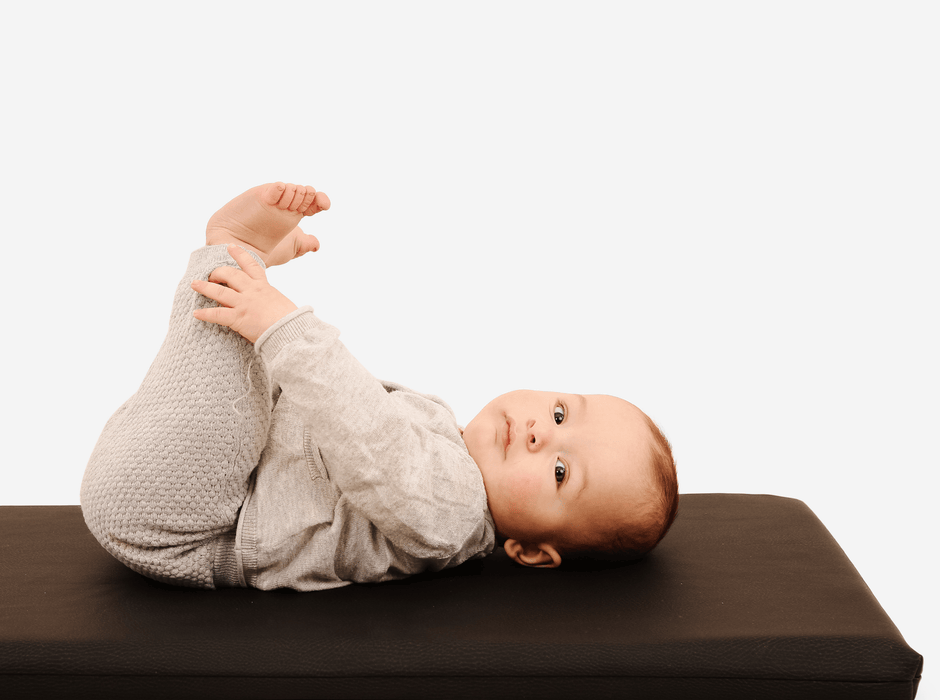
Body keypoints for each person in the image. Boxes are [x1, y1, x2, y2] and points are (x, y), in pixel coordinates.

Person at [81, 183, 678, 590]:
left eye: (560, 472)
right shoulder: (448, 440)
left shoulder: (455, 512)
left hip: (185, 520)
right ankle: (236, 258)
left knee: (238, 355)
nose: (537, 435)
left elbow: (366, 440)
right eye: (559, 414)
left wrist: (283, 329)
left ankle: (233, 252)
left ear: (529, 551)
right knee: (239, 357)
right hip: (205, 478)